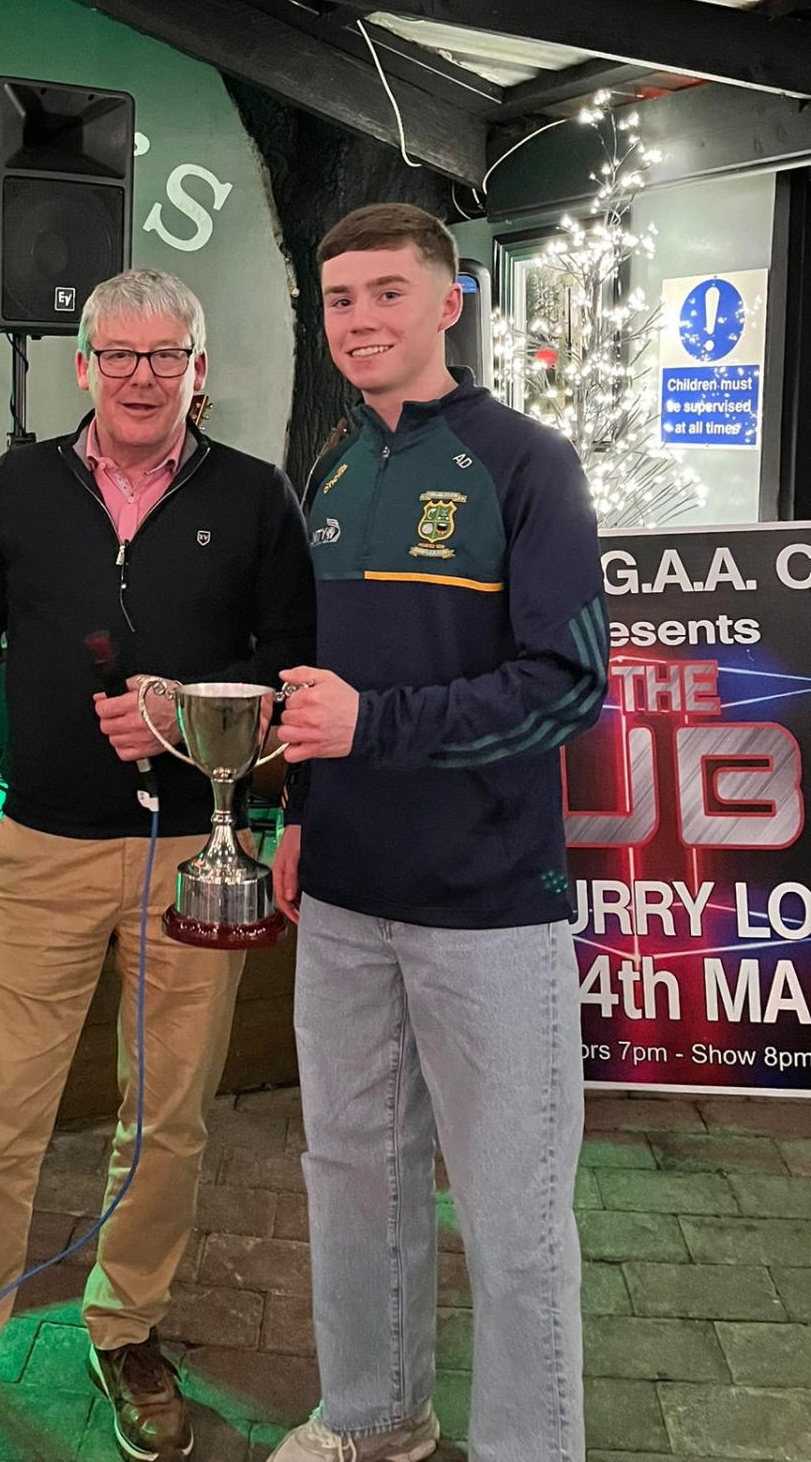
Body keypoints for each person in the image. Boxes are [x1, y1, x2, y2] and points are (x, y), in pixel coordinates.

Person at [0, 269, 313, 1461]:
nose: (141, 376)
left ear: (199, 369)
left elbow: (295, 668)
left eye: (165, 355)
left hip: (193, 855)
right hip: (42, 848)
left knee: (170, 1120)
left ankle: (127, 1325)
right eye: (118, 354)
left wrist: (185, 713)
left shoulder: (254, 497)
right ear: (83, 366)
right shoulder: (24, 485)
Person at [269, 204, 608, 1462]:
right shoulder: (332, 468)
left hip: (489, 906)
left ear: (450, 302)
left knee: (514, 1222)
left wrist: (377, 726)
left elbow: (567, 685)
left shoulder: (527, 463)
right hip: (345, 896)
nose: (360, 320)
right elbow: (316, 682)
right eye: (340, 299)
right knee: (354, 1179)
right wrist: (302, 812)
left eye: (387, 294)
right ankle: (374, 1416)